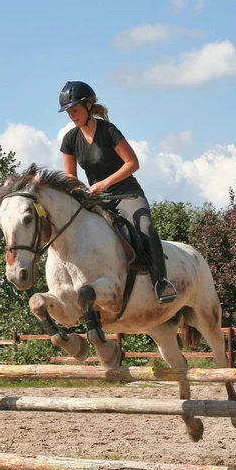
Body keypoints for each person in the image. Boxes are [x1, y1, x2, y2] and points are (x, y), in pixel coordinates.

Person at [59, 80, 177, 303]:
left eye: (75, 110)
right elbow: (70, 177)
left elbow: (132, 163)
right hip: (97, 198)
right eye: (68, 112)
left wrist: (103, 184)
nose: (72, 115)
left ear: (88, 106)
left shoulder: (108, 131)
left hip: (126, 193)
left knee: (146, 228)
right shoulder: (69, 140)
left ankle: (161, 282)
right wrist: (80, 191)